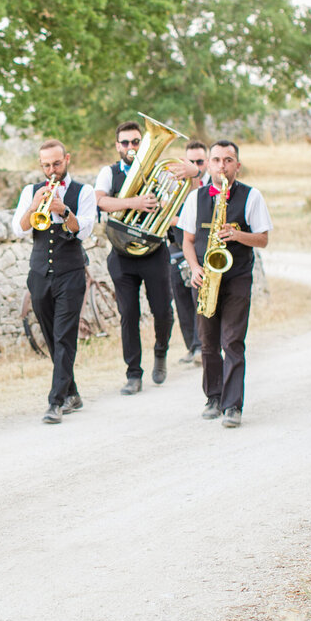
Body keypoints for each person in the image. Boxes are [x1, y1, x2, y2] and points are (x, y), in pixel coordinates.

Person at [180, 140, 272, 428]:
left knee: (232, 340)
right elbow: (188, 241)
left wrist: (237, 235)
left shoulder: (251, 196)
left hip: (237, 277)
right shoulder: (195, 198)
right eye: (216, 160)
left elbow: (263, 239)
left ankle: (233, 405)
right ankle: (213, 397)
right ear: (208, 164)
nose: (222, 166)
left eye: (228, 160)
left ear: (237, 166)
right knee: (208, 343)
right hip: (205, 277)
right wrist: (194, 268)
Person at [12, 139, 97, 424]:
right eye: (46, 165)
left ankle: (56, 401)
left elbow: (84, 230)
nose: (52, 170)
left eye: (57, 164)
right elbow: (19, 228)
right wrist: (35, 206)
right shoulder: (30, 191)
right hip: (38, 274)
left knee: (64, 336)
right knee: (50, 335)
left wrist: (63, 210)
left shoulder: (83, 191)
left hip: (71, 273)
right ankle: (72, 393)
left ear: (67, 159)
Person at [95, 120, 176, 394]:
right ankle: (133, 374)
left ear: (142, 144)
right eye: (125, 143)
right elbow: (101, 201)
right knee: (128, 314)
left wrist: (160, 203)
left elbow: (170, 204)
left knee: (163, 311)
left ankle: (161, 350)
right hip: (122, 254)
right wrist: (134, 203)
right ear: (118, 146)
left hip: (153, 251)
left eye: (135, 142)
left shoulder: (158, 171)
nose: (131, 147)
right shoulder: (109, 173)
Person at [165, 140, 209, 365]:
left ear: (207, 162)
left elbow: (202, 217)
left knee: (199, 300)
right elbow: (163, 213)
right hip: (175, 246)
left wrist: (176, 219)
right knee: (181, 301)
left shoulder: (210, 186)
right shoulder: (174, 185)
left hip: (200, 249)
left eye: (199, 162)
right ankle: (191, 347)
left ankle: (203, 346)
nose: (194, 166)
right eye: (190, 162)